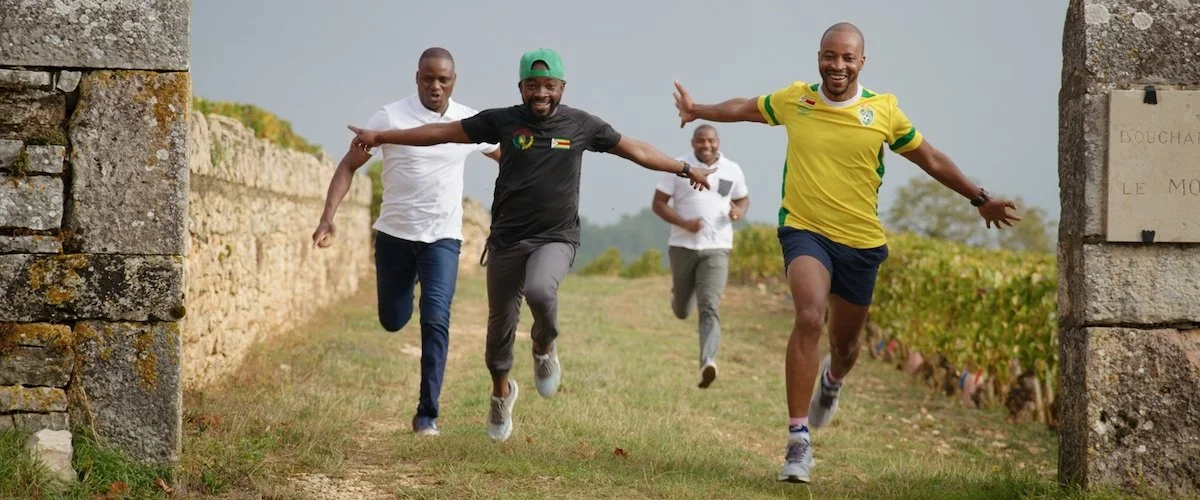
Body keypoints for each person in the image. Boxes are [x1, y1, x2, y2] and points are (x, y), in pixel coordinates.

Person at [672, 22, 1021, 483]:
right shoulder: (797, 100)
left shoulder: (883, 111)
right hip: (804, 231)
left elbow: (930, 158)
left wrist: (980, 198)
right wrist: (698, 109)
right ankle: (798, 442)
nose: (837, 66)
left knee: (846, 345)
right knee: (810, 316)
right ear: (818, 56)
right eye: (829, 56)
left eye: (847, 58)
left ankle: (833, 381)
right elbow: (746, 107)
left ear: (862, 62)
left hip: (860, 242)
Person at [348, 48, 716, 443]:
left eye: (549, 86)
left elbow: (636, 150)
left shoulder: (580, 125)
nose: (541, 94)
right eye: (533, 86)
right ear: (521, 87)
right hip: (506, 239)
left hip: (555, 237)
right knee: (499, 333)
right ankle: (501, 392)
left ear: (562, 88)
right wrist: (382, 136)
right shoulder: (503, 121)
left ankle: (543, 345)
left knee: (542, 289)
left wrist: (684, 168)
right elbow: (441, 133)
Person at [312, 47, 501, 437]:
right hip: (396, 237)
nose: (435, 86)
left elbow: (508, 157)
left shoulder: (469, 122)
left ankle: (426, 415)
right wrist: (327, 218)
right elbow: (349, 165)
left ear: (454, 80)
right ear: (416, 78)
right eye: (427, 78)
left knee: (436, 319)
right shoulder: (389, 117)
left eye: (442, 79)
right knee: (393, 320)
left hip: (442, 239)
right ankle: (408, 285)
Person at [651, 124, 749, 389]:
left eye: (711, 141)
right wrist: (684, 223)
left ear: (719, 142)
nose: (707, 146)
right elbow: (658, 204)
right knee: (683, 310)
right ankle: (679, 295)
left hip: (718, 247)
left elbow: (742, 199)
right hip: (683, 246)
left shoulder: (732, 170)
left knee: (709, 304)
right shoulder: (678, 166)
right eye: (701, 141)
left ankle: (708, 362)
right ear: (693, 142)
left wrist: (738, 212)